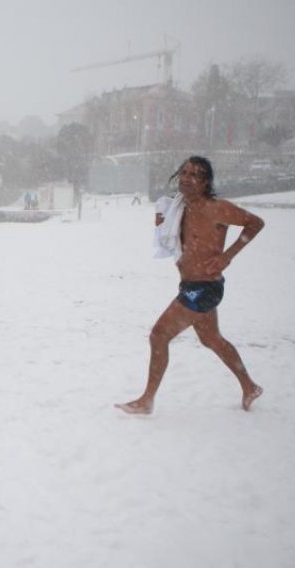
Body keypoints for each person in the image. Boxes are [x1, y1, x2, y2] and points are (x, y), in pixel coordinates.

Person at [116, 156, 265, 415]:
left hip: (204, 288)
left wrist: (227, 255)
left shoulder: (217, 208)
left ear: (206, 181)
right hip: (191, 285)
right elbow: (171, 239)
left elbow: (256, 223)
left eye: (194, 174)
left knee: (159, 335)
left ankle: (147, 400)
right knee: (211, 339)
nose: (186, 178)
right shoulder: (179, 208)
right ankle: (249, 386)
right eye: (183, 172)